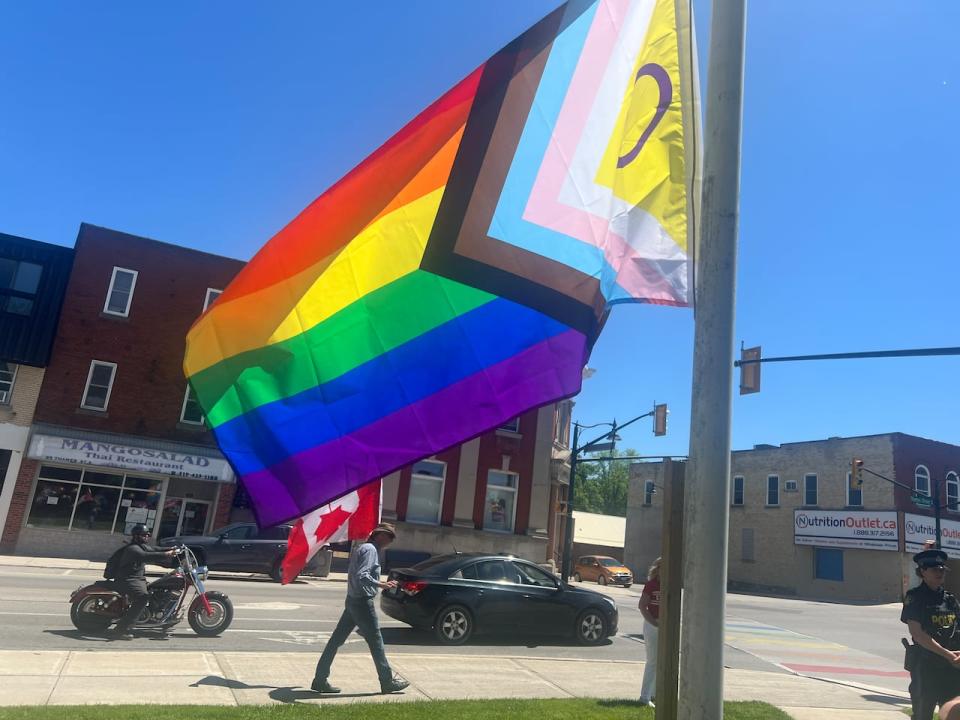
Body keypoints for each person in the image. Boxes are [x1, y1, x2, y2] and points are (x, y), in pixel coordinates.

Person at [311, 523, 409, 695]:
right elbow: (362, 575)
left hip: (352, 600)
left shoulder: (363, 548)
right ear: (381, 535)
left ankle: (319, 680)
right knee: (376, 642)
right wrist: (382, 584)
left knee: (335, 641)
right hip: (362, 602)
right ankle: (387, 682)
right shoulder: (371, 550)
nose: (390, 542)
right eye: (389, 537)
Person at [902, 549, 960, 719]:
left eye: (942, 569)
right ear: (922, 572)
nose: (940, 572)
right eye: (935, 569)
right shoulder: (915, 597)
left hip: (952, 667)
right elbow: (918, 634)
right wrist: (948, 655)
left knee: (952, 713)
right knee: (923, 713)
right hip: (926, 666)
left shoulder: (949, 599)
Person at [106, 523, 176, 639]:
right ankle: (121, 629)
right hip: (127, 579)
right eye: (144, 535)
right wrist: (166, 554)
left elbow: (154, 549)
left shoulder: (141, 546)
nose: (147, 537)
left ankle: (157, 618)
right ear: (136, 536)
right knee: (143, 597)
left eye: (148, 534)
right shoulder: (133, 549)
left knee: (156, 589)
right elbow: (146, 556)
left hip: (136, 578)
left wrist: (172, 549)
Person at [638, 557, 661, 707]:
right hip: (652, 627)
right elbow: (642, 606)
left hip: (665, 627)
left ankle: (654, 694)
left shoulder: (670, 585)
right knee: (652, 661)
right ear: (658, 569)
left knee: (661, 662)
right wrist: (654, 623)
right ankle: (644, 697)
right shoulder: (651, 585)